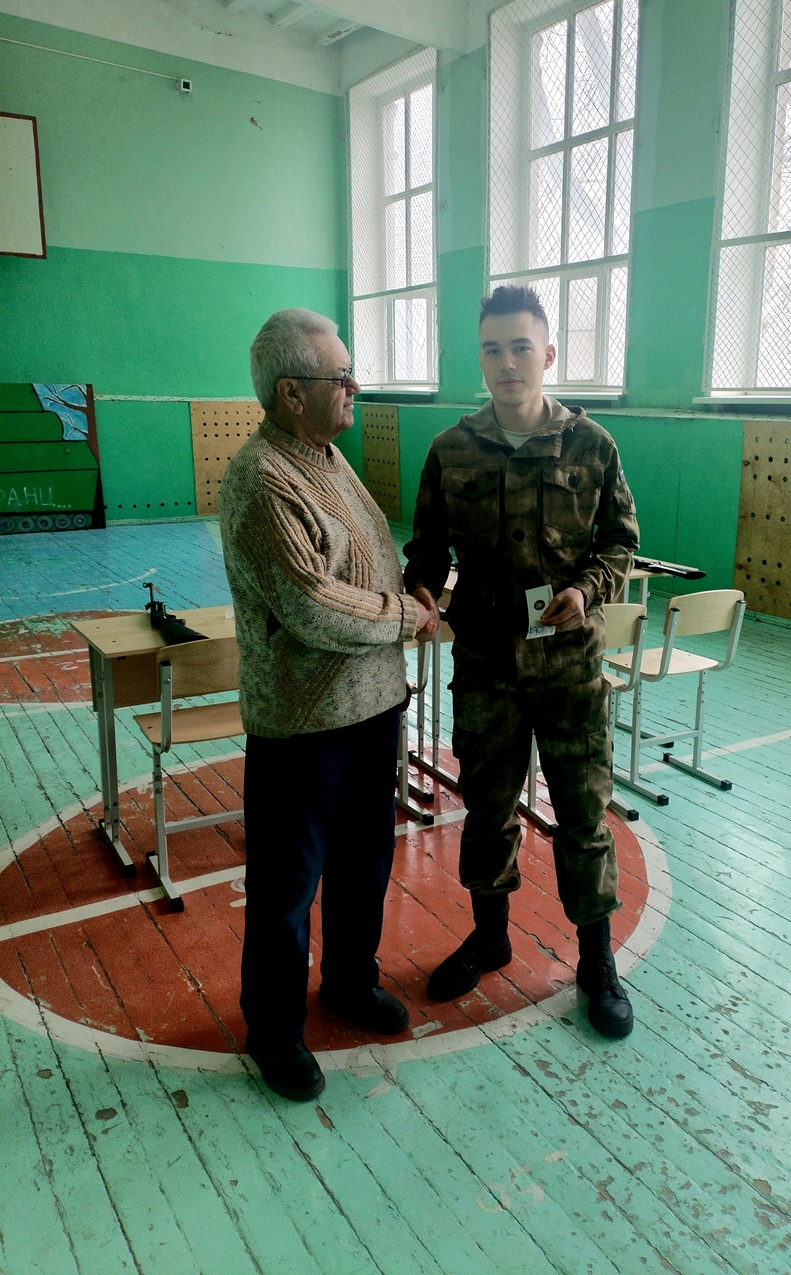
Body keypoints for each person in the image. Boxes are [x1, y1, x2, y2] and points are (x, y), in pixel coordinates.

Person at [403, 284, 640, 1038]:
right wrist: (421, 591)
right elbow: (426, 549)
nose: (507, 363)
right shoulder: (450, 450)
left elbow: (620, 542)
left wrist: (585, 589)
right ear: (480, 358)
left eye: (520, 347)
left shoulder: (592, 445)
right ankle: (491, 936)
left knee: (583, 815)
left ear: (548, 354)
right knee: (487, 812)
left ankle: (595, 959)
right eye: (492, 349)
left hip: (569, 668)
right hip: (485, 666)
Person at [220, 308, 436, 1101]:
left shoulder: (328, 456)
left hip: (373, 709)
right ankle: (274, 1029)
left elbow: (366, 559)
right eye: (339, 377)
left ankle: (349, 980)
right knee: (288, 886)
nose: (354, 387)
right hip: (304, 726)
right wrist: (408, 615)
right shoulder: (261, 477)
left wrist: (412, 588)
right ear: (290, 393)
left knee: (364, 861)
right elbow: (312, 603)